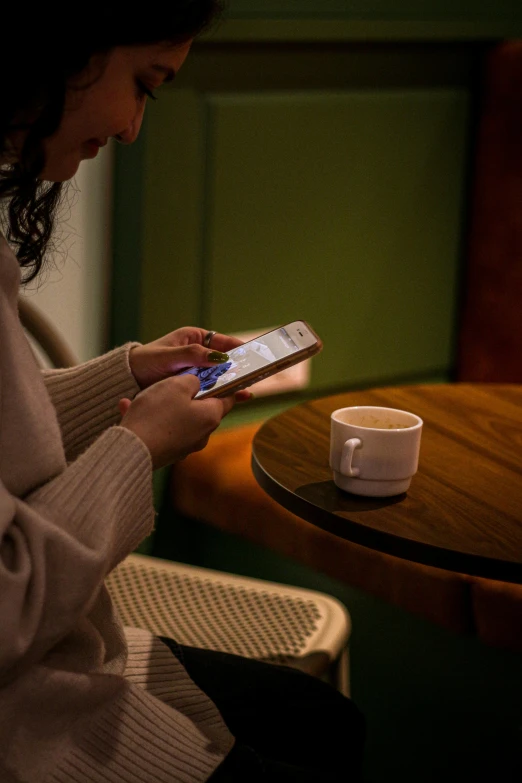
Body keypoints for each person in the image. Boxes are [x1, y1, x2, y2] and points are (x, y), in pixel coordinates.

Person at [0, 3, 365, 781]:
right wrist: (139, 448)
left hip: (64, 651)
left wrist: (126, 377)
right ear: (57, 49)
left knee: (324, 720)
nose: (133, 127)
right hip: (29, 716)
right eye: (144, 83)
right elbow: (10, 601)